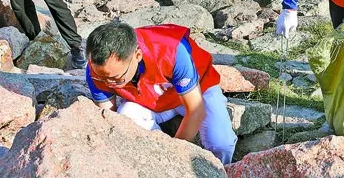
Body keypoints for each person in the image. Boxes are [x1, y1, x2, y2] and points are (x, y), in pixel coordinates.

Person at [85, 22, 238, 164]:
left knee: (221, 143)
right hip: (150, 100)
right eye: (101, 77)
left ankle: (221, 175)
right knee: (126, 115)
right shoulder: (96, 71)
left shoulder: (172, 51)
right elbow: (108, 118)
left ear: (137, 55)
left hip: (198, 91)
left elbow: (196, 110)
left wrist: (174, 156)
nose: (108, 83)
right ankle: (154, 160)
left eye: (116, 78)